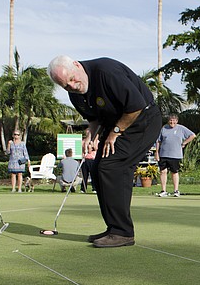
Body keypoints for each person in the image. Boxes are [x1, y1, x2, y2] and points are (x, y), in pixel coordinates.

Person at [47, 55, 162, 247]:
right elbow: (93, 119)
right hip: (117, 124)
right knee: (99, 168)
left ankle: (122, 232)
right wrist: (90, 136)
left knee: (112, 166)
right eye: (66, 86)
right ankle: (113, 228)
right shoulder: (75, 93)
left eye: (73, 79)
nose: (73, 86)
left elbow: (135, 106)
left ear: (77, 65)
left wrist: (115, 132)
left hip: (143, 120)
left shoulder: (106, 72)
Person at [155, 114, 195, 197]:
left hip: (175, 155)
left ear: (177, 121)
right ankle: (163, 191)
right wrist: (157, 152)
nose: (172, 122)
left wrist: (184, 142)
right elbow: (158, 141)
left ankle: (176, 190)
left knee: (174, 172)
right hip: (163, 154)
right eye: (170, 120)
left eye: (174, 120)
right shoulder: (164, 128)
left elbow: (192, 135)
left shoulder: (181, 128)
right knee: (163, 171)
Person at [80, 127, 97, 193]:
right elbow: (82, 151)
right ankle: (83, 188)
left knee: (93, 174)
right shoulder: (83, 141)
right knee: (84, 175)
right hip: (85, 159)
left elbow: (96, 149)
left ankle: (94, 188)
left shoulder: (95, 141)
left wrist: (91, 145)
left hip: (92, 159)